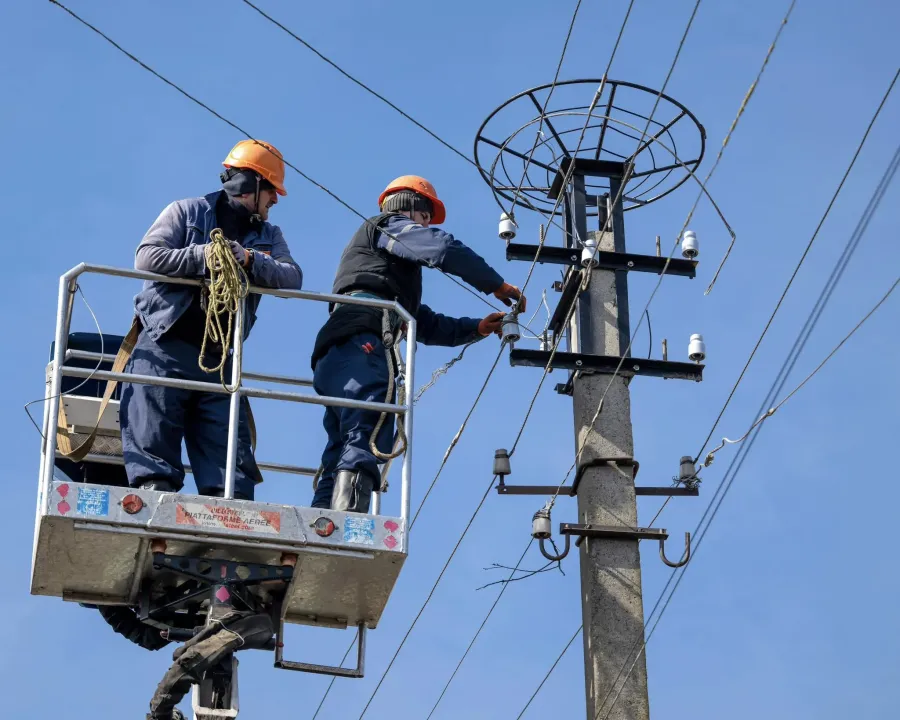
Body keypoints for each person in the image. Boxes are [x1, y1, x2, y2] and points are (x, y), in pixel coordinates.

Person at [309, 175, 525, 513]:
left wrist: (477, 328)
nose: (426, 225)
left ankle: (322, 519)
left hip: (340, 348)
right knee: (367, 427)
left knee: (342, 441)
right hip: (361, 341)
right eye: (425, 217)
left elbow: (422, 323)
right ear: (409, 207)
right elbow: (442, 247)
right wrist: (495, 284)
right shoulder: (388, 226)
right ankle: (347, 520)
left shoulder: (381, 275)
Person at [120, 139, 303, 503]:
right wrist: (204, 256)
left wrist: (249, 260)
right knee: (153, 427)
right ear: (250, 185)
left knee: (227, 449)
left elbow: (291, 278)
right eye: (271, 190)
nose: (275, 200)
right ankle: (156, 497)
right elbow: (147, 257)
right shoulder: (187, 213)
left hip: (218, 359)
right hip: (165, 343)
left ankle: (229, 513)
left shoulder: (269, 236)